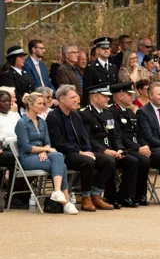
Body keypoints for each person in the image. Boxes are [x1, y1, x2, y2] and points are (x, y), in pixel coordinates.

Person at [47, 84, 116, 212]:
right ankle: (85, 197)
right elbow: (58, 143)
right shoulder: (53, 117)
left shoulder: (76, 115)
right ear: (62, 99)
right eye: (72, 97)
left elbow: (85, 137)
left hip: (81, 151)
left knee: (108, 160)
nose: (76, 100)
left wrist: (88, 150)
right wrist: (81, 152)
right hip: (65, 154)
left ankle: (96, 194)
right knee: (88, 161)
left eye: (77, 97)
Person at [15, 92, 78, 214]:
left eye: (43, 104)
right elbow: (27, 147)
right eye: (39, 103)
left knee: (58, 156)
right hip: (27, 158)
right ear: (30, 104)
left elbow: (48, 142)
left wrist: (45, 149)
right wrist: (44, 150)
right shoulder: (22, 123)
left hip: (43, 155)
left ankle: (58, 192)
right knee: (61, 166)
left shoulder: (42, 121)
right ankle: (66, 201)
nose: (42, 106)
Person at [80, 84, 140, 209]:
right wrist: (105, 150)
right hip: (97, 151)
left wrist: (119, 148)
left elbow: (115, 134)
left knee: (132, 161)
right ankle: (109, 197)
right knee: (110, 161)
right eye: (105, 96)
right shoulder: (85, 114)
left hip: (112, 149)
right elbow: (87, 138)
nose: (108, 99)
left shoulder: (107, 114)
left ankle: (125, 196)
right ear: (95, 97)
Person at [82, 37, 118, 105]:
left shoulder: (113, 67)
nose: (106, 50)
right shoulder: (91, 68)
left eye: (107, 48)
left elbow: (115, 88)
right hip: (97, 104)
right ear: (97, 50)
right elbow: (87, 91)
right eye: (103, 48)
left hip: (111, 104)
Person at [0, 46, 35, 111]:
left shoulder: (26, 73)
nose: (23, 59)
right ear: (12, 59)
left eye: (23, 56)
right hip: (18, 108)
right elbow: (14, 93)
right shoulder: (7, 75)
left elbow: (32, 89)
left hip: (30, 107)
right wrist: (28, 104)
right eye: (20, 57)